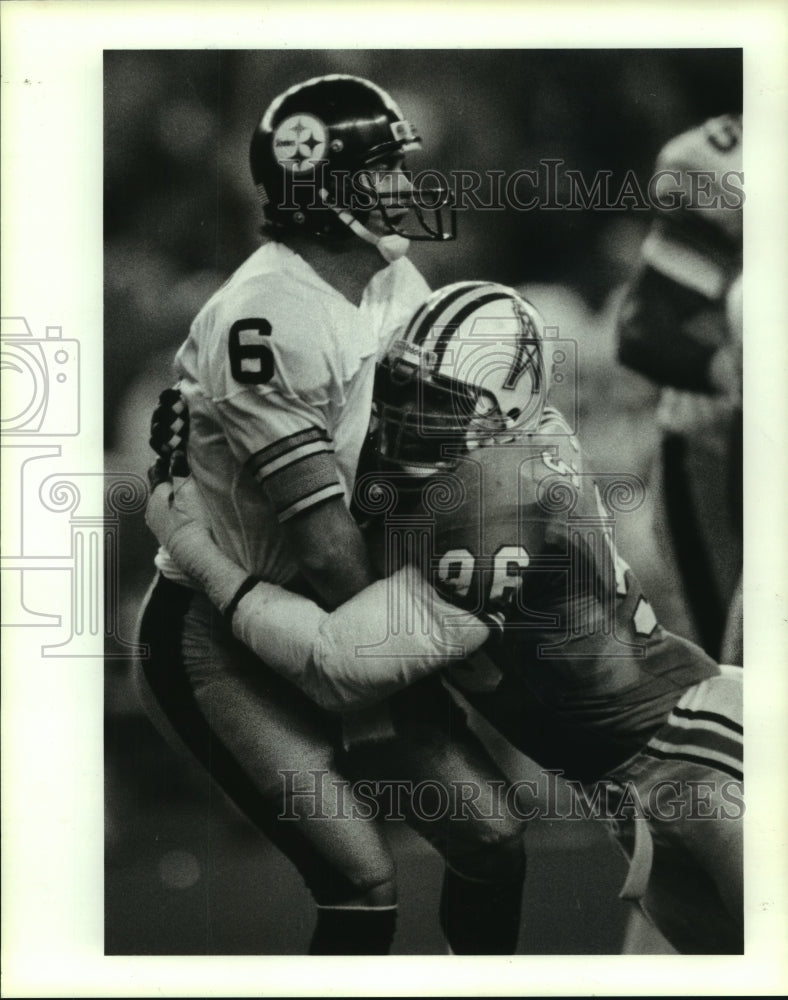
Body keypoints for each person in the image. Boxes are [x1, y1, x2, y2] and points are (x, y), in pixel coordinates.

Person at [148, 280, 743, 954]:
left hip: (701, 758)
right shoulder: (470, 452)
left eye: (438, 402)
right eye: (404, 391)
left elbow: (336, 664)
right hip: (631, 777)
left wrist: (194, 548)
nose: (407, 415)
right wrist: (208, 436)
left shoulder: (506, 499)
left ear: (507, 405)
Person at [136, 75, 526, 956]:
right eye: (382, 168)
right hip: (226, 634)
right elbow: (323, 546)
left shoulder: (389, 280)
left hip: (348, 598)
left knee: (493, 838)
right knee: (361, 880)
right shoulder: (265, 317)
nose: (405, 187)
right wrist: (421, 656)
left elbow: (436, 465)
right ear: (317, 186)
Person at [616, 113, 743, 664]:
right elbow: (646, 329)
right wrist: (744, 377)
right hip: (724, 447)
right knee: (745, 671)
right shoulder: (728, 160)